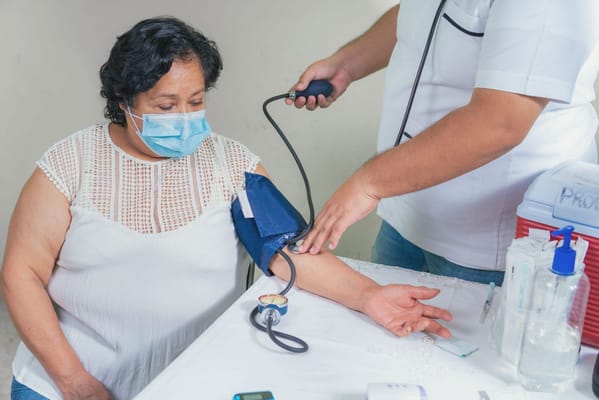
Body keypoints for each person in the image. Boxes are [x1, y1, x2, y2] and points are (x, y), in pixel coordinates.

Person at [0, 17, 452, 400]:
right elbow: (22, 274)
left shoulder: (231, 164)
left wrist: (369, 295)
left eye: (195, 102)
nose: (183, 117)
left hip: (193, 378)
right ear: (124, 102)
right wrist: (73, 380)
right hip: (66, 380)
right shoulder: (69, 164)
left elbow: (287, 250)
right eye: (165, 105)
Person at [288, 0, 599, 285]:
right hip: (406, 211)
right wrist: (347, 64)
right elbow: (422, 16)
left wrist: (368, 184)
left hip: (490, 246)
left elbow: (500, 123)